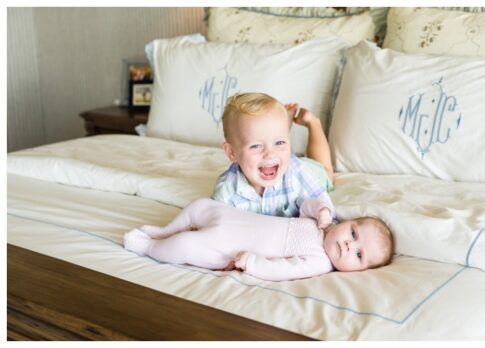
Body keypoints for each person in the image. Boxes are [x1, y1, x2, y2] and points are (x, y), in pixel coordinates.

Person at [123, 199, 393, 281]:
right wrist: (323, 209)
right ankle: (164, 230)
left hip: (228, 250)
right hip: (233, 218)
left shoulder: (320, 262)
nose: (349, 245)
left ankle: (149, 246)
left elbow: (282, 270)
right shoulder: (324, 222)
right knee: (200, 206)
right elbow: (305, 204)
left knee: (184, 247)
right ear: (347, 222)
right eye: (354, 234)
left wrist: (252, 262)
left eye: (358, 256)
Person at [212, 92, 336, 227]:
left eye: (279, 143)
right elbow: (216, 225)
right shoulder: (226, 191)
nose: (269, 154)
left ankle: (313, 123)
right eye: (256, 146)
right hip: (280, 162)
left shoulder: (299, 173)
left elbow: (321, 199)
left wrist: (324, 211)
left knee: (326, 171)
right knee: (275, 139)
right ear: (232, 152)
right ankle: (281, 130)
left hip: (299, 167)